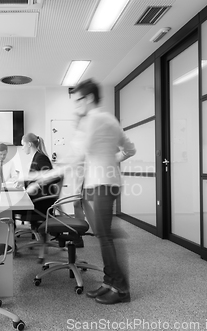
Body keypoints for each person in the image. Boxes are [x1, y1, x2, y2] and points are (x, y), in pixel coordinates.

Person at [33, 79, 136, 304]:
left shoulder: (94, 119)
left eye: (78, 100)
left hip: (101, 185)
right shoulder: (107, 119)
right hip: (101, 184)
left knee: (105, 237)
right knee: (103, 235)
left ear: (88, 98)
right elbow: (130, 149)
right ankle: (109, 283)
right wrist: (109, 162)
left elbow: (76, 156)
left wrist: (41, 177)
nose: (76, 106)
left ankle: (120, 289)